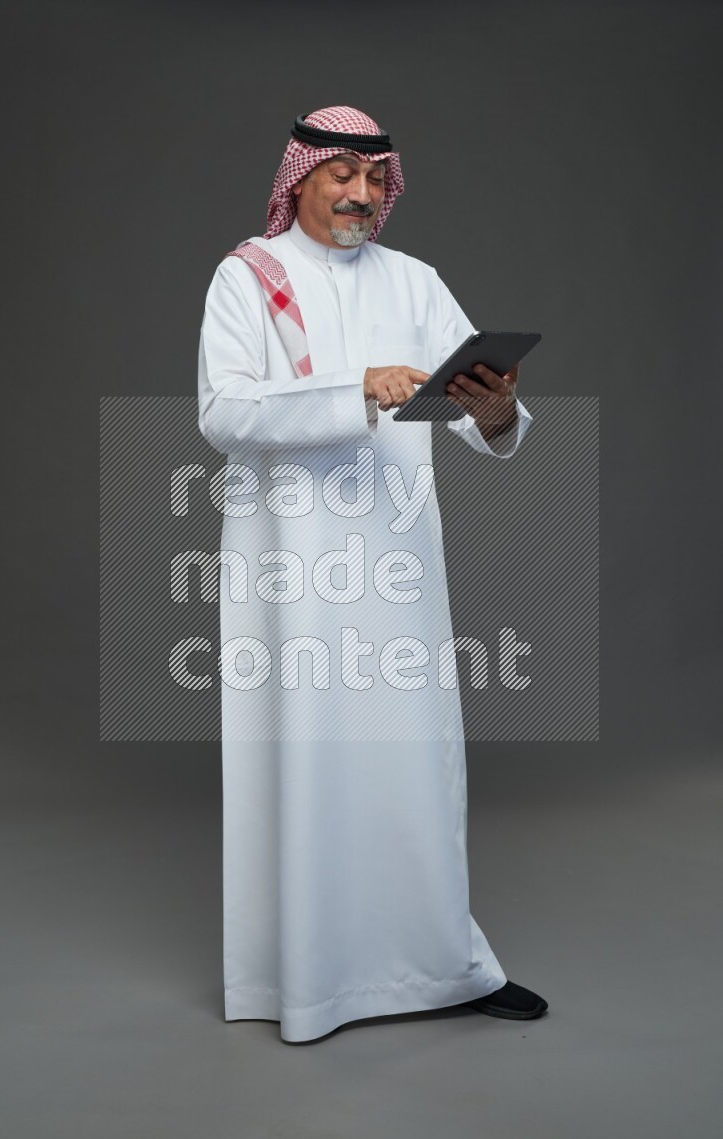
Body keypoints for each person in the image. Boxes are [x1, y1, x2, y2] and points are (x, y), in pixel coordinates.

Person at [197, 105, 548, 1042]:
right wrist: (353, 388)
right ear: (300, 178)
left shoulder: (415, 281)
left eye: (376, 178)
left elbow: (486, 424)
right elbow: (223, 413)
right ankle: (309, 984)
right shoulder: (248, 276)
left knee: (414, 761)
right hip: (292, 569)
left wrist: (497, 407)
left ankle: (440, 966)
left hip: (398, 566)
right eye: (342, 175)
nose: (361, 194)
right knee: (310, 757)